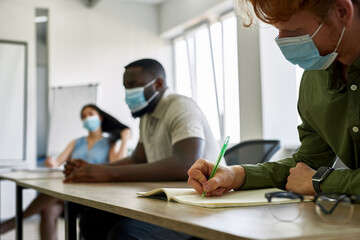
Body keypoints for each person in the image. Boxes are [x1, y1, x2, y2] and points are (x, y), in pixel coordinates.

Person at [188, 0, 360, 198]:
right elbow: (307, 164)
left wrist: (320, 181)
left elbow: (311, 177)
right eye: (278, 30)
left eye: (294, 31)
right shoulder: (315, 77)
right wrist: (236, 174)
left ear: (342, 12)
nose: (281, 41)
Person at [63, 58, 224, 240]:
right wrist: (92, 170)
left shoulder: (180, 106)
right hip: (169, 199)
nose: (128, 93)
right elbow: (138, 159)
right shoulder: (147, 115)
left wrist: (107, 174)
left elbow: (186, 163)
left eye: (133, 85)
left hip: (201, 203)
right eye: (125, 87)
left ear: (158, 84)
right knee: (92, 220)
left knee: (126, 234)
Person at [0, 104, 130, 240]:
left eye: (90, 114)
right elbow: (58, 161)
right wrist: (52, 162)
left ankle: (11, 224)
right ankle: (11, 224)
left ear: (101, 118)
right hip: (72, 189)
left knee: (54, 194)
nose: (87, 118)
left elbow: (117, 165)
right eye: (84, 116)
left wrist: (125, 141)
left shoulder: (110, 143)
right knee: (48, 210)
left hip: (95, 193)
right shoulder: (77, 142)